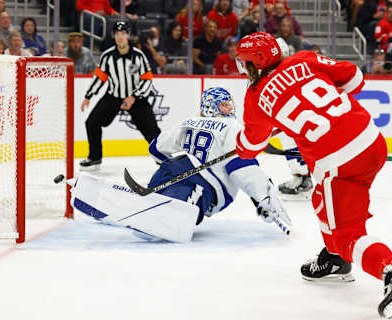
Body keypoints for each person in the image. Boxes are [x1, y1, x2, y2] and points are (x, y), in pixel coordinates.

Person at [234, 32, 392, 319]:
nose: (243, 69)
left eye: (243, 63)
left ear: (253, 64)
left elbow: (250, 146)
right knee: (322, 199)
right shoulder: (303, 59)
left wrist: (244, 143)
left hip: (338, 162)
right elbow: (354, 78)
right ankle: (335, 260)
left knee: (347, 234)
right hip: (371, 140)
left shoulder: (255, 98)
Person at [70, 87, 291, 242]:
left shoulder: (188, 121)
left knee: (160, 197)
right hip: (202, 184)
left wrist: (170, 166)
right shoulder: (232, 126)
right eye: (223, 105)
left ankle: (142, 203)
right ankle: (159, 213)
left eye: (228, 104)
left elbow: (156, 147)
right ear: (212, 106)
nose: (228, 109)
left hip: (170, 170)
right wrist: (263, 196)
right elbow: (240, 165)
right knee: (180, 208)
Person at [80, 21, 161, 170]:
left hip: (136, 98)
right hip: (114, 96)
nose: (120, 37)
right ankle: (95, 157)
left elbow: (147, 79)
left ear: (128, 36)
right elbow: (100, 78)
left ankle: (163, 158)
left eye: (123, 34)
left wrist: (134, 96)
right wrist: (88, 96)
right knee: (91, 122)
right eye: (117, 34)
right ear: (113, 36)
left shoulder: (138, 56)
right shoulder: (108, 56)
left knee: (152, 130)